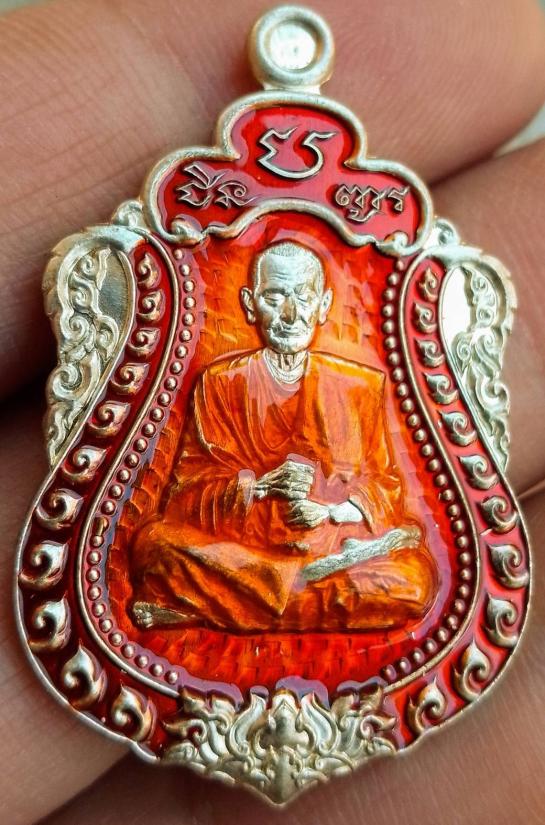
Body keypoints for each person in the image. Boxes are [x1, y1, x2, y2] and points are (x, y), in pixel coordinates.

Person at [129, 241, 438, 632]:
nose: (291, 315)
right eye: (275, 298)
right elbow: (183, 501)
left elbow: (386, 487)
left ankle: (223, 605)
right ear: (250, 304)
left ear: (324, 305)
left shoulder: (359, 386)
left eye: (303, 298)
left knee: (415, 582)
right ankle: (287, 590)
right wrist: (258, 487)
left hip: (330, 548)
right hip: (247, 551)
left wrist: (331, 511)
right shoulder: (220, 383)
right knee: (153, 546)